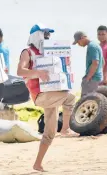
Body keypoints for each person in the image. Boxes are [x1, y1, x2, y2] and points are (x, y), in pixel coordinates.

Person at [17, 23, 77, 172]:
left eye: (49, 34)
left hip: (51, 93)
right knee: (70, 98)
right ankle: (66, 129)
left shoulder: (47, 53)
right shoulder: (28, 52)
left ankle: (37, 164)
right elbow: (20, 71)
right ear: (37, 35)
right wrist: (38, 73)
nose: (48, 36)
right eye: (45, 34)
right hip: (40, 95)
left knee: (49, 132)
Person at [72, 31, 104, 97]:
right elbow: (103, 62)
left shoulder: (92, 47)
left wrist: (88, 78)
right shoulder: (96, 45)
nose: (78, 44)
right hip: (96, 78)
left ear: (82, 38)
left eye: (78, 42)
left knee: (85, 101)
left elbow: (95, 63)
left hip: (92, 79)